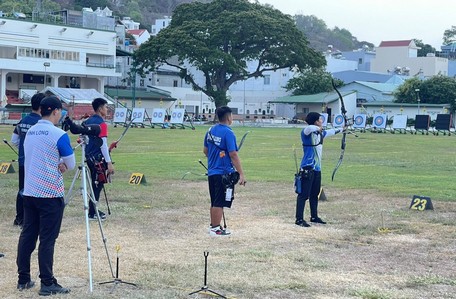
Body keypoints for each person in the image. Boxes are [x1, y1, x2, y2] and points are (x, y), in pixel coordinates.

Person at [17, 96, 75, 295]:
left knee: (27, 235)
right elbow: (71, 162)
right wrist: (61, 165)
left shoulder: (31, 131)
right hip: (50, 193)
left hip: (30, 190)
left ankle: (23, 278)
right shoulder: (58, 133)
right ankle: (47, 282)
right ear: (56, 111)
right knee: (47, 239)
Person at [295, 112, 343, 227]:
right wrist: (319, 127)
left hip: (317, 168)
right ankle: (299, 219)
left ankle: (314, 216)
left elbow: (331, 132)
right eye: (320, 119)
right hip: (308, 167)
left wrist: (342, 129)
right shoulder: (306, 132)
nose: (322, 121)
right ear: (316, 121)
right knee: (303, 195)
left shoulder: (319, 133)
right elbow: (310, 127)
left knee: (314, 194)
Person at [203, 106, 246, 236]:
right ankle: (215, 228)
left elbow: (205, 151)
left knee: (215, 200)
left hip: (212, 172)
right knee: (219, 201)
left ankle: (214, 225)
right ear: (228, 117)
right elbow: (233, 154)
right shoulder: (228, 133)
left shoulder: (210, 130)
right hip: (223, 173)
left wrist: (215, 160)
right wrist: (241, 174)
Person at [11, 92, 45, 227]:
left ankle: (19, 218)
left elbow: (14, 140)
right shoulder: (41, 123)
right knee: (37, 192)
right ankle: (34, 219)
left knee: (22, 190)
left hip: (23, 161)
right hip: (37, 163)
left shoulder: (22, 121)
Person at [84, 97, 114, 220]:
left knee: (95, 183)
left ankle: (92, 209)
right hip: (97, 158)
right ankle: (92, 211)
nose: (107, 110)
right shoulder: (101, 124)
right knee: (97, 183)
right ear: (100, 109)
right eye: (106, 107)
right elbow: (103, 144)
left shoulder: (87, 122)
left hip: (89, 156)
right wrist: (109, 162)